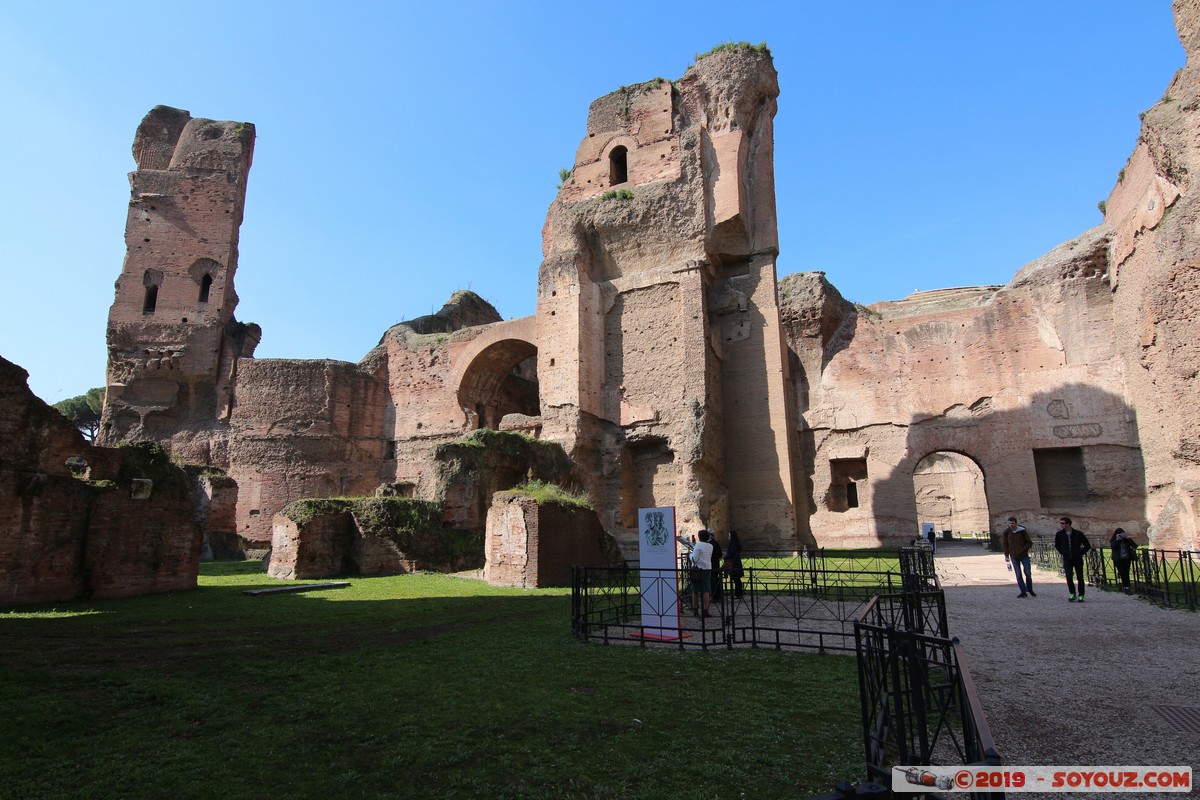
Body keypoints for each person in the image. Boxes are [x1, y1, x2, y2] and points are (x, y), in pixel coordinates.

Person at [1053, 516, 1092, 602]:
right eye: (1061, 523)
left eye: (1062, 523)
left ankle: (1081, 594)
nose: (1061, 525)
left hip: (1077, 559)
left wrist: (1080, 553)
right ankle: (1072, 593)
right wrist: (1063, 553)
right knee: (1069, 576)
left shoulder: (1078, 534)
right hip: (1067, 559)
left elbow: (1087, 545)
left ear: (1068, 524)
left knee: (1080, 577)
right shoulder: (1059, 534)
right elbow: (1057, 545)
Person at [1001, 516, 1036, 598]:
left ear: (1016, 523)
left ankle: (1030, 589)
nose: (1011, 525)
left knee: (1028, 573)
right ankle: (1023, 591)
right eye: (1009, 523)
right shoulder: (1006, 532)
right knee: (1018, 574)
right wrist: (1006, 555)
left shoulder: (1022, 531)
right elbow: (1005, 544)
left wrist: (1023, 550)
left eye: (1012, 523)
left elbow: (1029, 542)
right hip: (1014, 556)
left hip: (1024, 555)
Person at [689, 530, 714, 617]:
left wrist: (690, 555)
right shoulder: (710, 546)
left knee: (695, 591)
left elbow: (694, 559)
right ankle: (705, 610)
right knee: (706, 591)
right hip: (707, 569)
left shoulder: (698, 545)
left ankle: (695, 610)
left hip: (698, 570)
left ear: (699, 537)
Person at [1110, 528, 1138, 594]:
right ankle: (1125, 586)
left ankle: (1127, 587)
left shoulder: (1126, 540)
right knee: (1122, 573)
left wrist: (1128, 538)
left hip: (1127, 559)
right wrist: (1118, 540)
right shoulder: (1114, 540)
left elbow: (1135, 546)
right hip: (1118, 559)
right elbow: (1113, 546)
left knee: (1126, 572)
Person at [724, 530, 745, 599]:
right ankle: (738, 593)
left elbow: (732, 553)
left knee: (736, 578)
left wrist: (726, 557)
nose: (728, 537)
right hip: (736, 562)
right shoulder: (735, 543)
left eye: (729, 536)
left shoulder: (734, 544)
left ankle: (738, 594)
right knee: (736, 579)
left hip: (734, 563)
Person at [708, 531, 724, 605]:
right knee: (716, 580)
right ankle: (718, 595)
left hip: (711, 565)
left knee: (713, 581)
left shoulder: (710, 544)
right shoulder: (716, 543)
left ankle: (714, 596)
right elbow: (720, 554)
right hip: (716, 564)